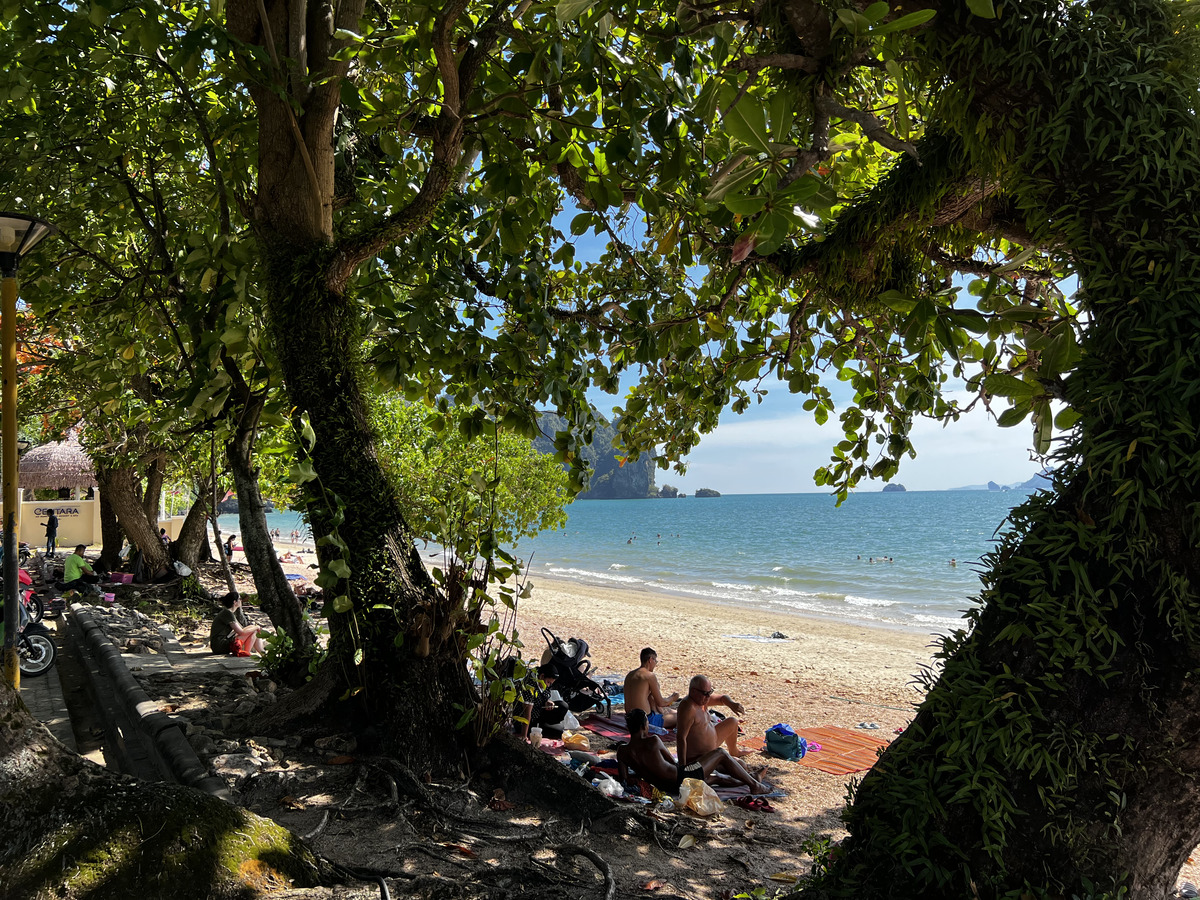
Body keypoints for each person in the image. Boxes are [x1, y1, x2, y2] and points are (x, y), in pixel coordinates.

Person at [617, 708, 772, 794]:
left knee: (714, 779)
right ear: (645, 725)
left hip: (667, 787)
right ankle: (754, 785)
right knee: (720, 753)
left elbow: (626, 779)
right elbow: (673, 763)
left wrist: (645, 770)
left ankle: (752, 777)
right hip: (682, 778)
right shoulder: (653, 741)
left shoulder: (622, 752)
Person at [675, 675, 748, 776]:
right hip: (700, 757)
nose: (708, 697)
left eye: (710, 692)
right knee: (741, 766)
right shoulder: (688, 707)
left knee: (732, 721)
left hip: (713, 743)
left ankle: (734, 751)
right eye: (705, 694)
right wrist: (682, 767)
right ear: (693, 692)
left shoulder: (702, 699)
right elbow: (680, 738)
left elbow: (722, 698)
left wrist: (731, 704)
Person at [623, 647, 679, 730]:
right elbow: (661, 702)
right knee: (682, 716)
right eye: (655, 661)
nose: (655, 663)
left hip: (629, 719)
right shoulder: (649, 676)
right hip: (645, 720)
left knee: (669, 710)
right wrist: (673, 698)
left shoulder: (630, 675)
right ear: (650, 660)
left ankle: (660, 714)